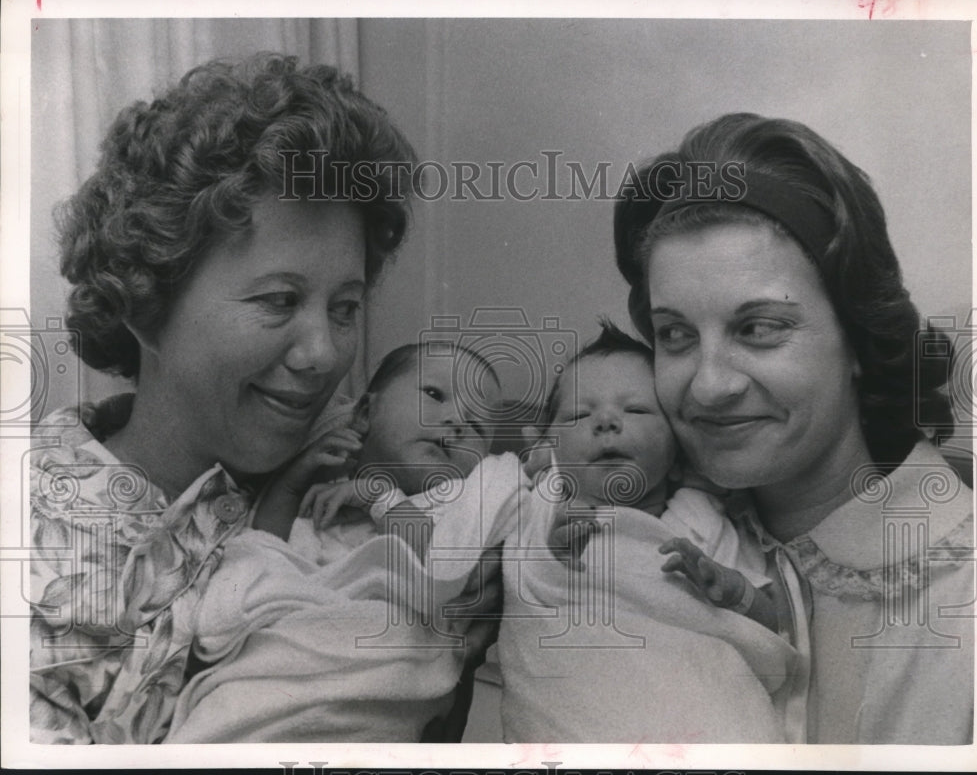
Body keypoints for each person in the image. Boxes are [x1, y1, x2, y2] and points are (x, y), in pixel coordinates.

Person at [28, 52, 418, 744]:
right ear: (145, 302)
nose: (325, 353)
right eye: (279, 300)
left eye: (346, 307)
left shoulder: (336, 486)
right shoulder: (36, 554)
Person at [612, 112, 973, 744]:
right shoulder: (648, 533)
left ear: (857, 338)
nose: (708, 385)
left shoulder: (969, 593)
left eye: (759, 328)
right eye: (675, 335)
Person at [164, 342, 519, 742]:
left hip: (370, 688)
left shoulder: (454, 503)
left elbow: (433, 569)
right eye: (435, 395)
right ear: (366, 412)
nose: (456, 422)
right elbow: (267, 551)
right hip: (274, 670)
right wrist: (294, 482)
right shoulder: (327, 490)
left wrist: (380, 497)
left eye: (475, 427)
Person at [497, 319, 801, 743]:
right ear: (548, 449)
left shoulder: (704, 525)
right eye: (579, 415)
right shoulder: (537, 506)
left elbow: (771, 625)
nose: (605, 422)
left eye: (635, 410)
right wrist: (549, 549)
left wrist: (733, 591)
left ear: (680, 457)